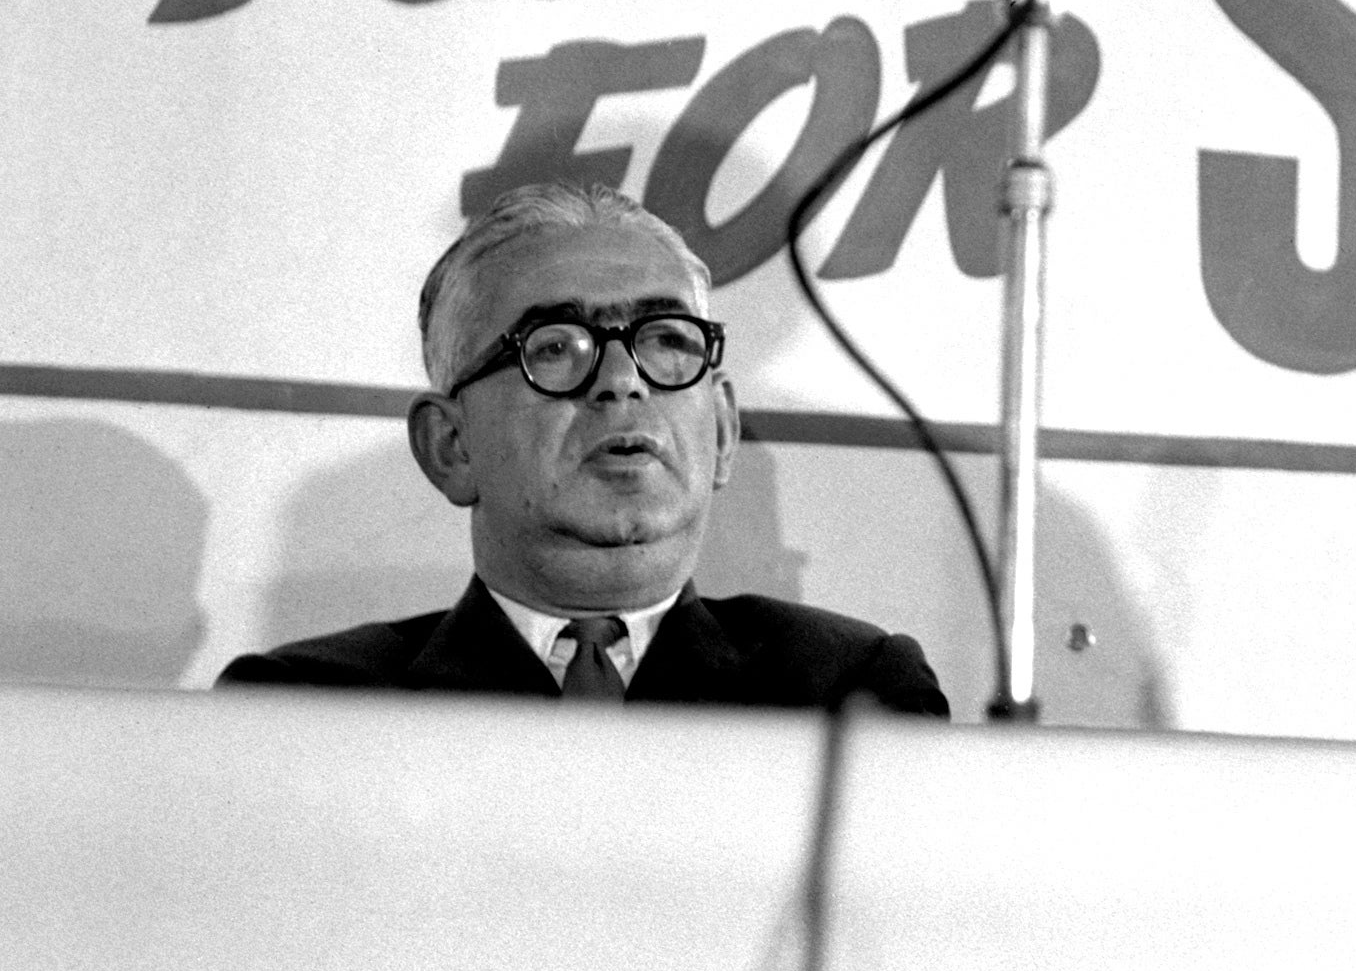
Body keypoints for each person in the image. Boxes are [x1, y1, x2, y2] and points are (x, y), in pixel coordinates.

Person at [223, 180, 950, 714]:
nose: (620, 381)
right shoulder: (310, 708)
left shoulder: (850, 694)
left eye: (666, 341)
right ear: (450, 445)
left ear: (723, 429)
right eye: (557, 347)